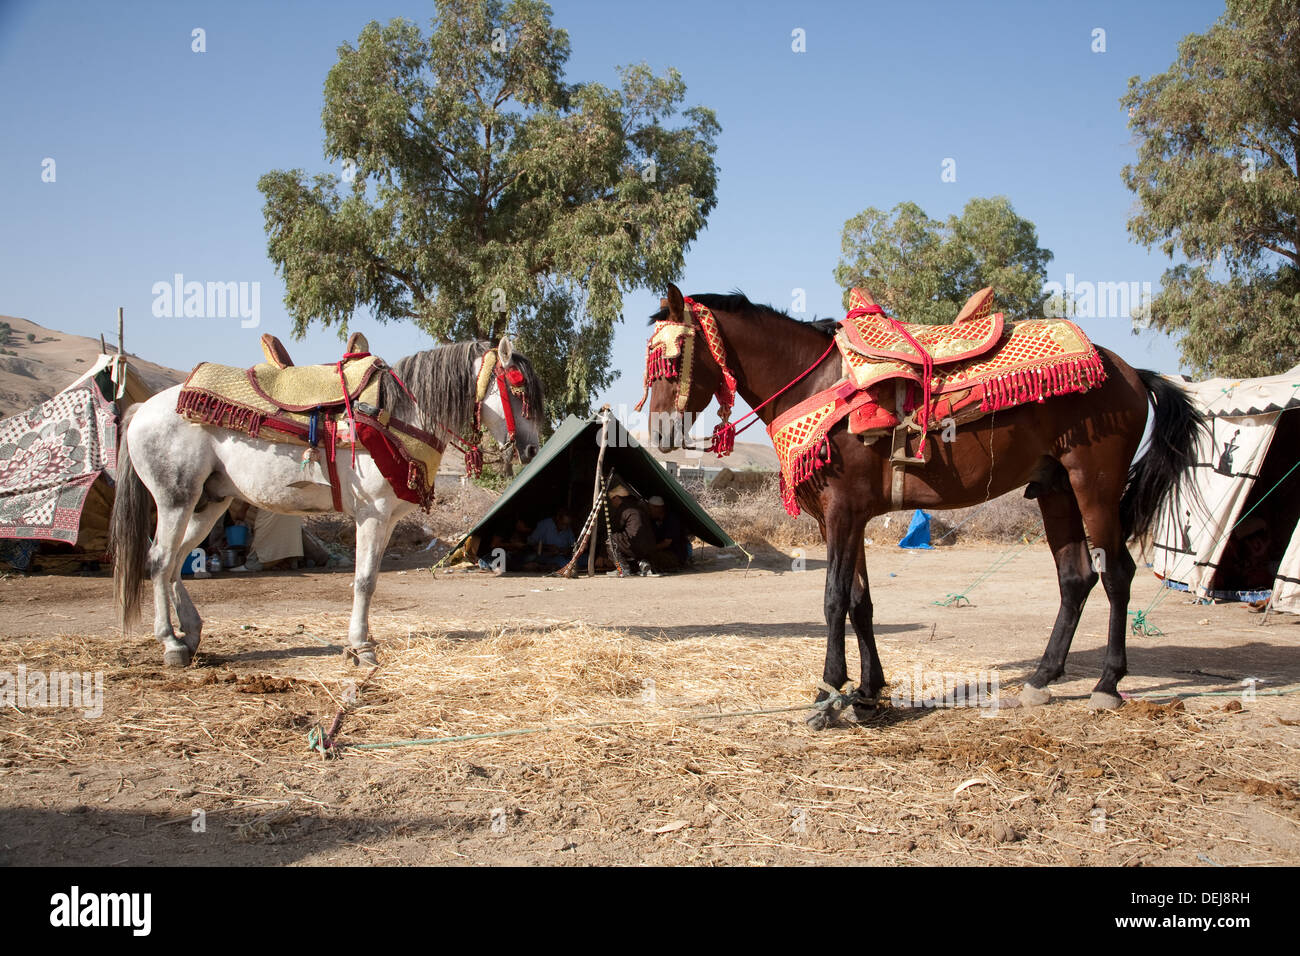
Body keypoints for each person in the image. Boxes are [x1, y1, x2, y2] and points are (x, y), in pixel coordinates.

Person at [606, 485, 658, 576]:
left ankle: (622, 569)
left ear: (616, 498)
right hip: (651, 545)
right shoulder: (638, 506)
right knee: (626, 542)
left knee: (611, 541)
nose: (612, 503)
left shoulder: (624, 509)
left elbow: (615, 528)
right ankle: (643, 564)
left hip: (635, 543)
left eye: (612, 500)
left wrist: (602, 554)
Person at [647, 495, 690, 570]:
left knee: (650, 557)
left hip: (675, 555)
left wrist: (649, 549)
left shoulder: (672, 520)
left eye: (651, 509)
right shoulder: (654, 520)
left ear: (658, 508)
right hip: (664, 552)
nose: (649, 511)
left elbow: (666, 543)